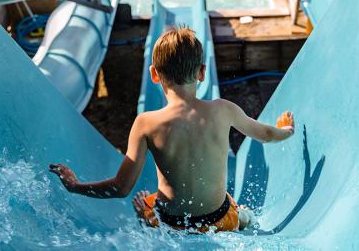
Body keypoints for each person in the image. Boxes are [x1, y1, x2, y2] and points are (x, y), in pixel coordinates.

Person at [49, 28, 295, 233]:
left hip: (171, 224)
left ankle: (147, 220)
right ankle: (243, 219)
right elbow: (266, 135)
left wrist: (75, 186)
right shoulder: (223, 110)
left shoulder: (146, 123)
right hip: (219, 220)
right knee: (234, 210)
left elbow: (120, 188)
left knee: (145, 203)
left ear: (154, 74)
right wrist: (286, 130)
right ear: (201, 73)